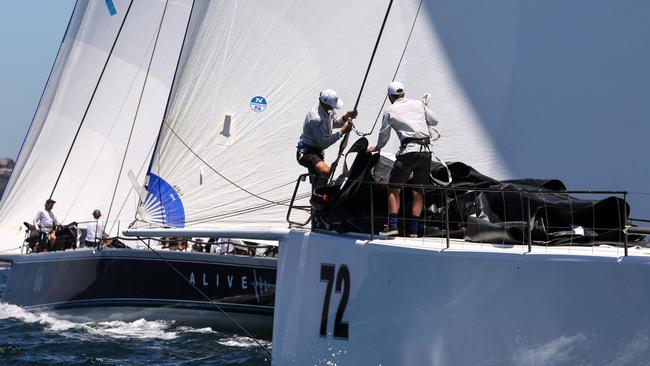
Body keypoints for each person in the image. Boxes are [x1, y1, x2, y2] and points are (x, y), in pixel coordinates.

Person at [368, 81, 439, 237]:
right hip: (426, 152)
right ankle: (414, 229)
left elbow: (384, 135)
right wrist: (422, 109)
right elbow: (434, 121)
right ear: (404, 94)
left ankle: (393, 226)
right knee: (418, 190)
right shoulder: (418, 104)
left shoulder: (390, 111)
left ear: (390, 96)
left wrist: (377, 147)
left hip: (409, 151)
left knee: (394, 188)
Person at [297, 89, 357, 188]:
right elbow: (323, 143)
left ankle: (319, 195)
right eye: (332, 106)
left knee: (319, 177)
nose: (333, 108)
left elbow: (334, 123)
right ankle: (319, 198)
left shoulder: (328, 108)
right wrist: (342, 131)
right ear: (326, 104)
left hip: (318, 151)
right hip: (306, 152)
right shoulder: (315, 118)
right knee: (325, 171)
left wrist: (346, 117)